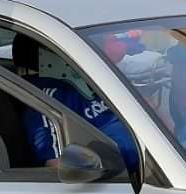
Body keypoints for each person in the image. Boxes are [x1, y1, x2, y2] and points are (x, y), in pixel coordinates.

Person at [12, 35, 140, 176]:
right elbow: (58, 164)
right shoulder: (43, 98)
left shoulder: (85, 81)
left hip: (150, 157)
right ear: (50, 54)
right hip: (121, 176)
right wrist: (105, 159)